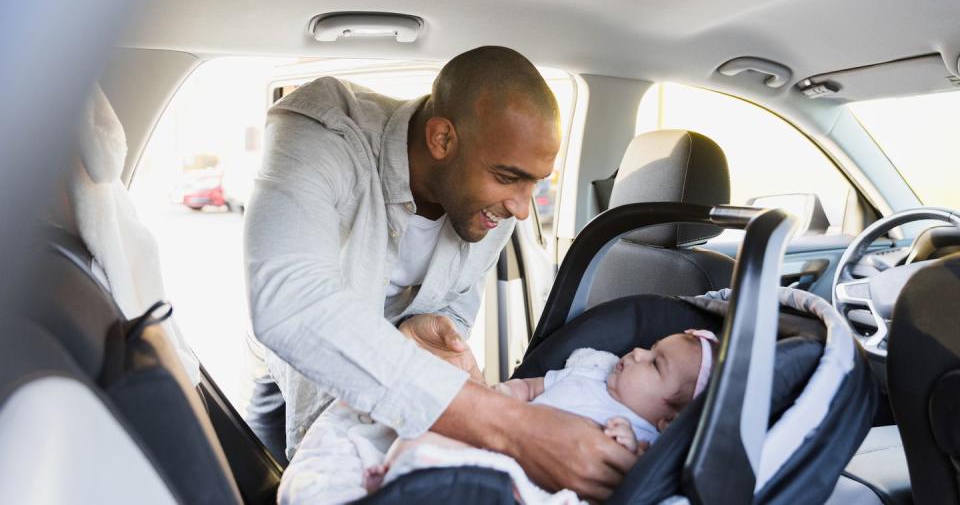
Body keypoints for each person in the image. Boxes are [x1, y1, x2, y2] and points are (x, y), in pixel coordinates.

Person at [244, 46, 635, 500]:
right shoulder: (324, 132)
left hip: (400, 402)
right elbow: (289, 300)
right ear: (442, 139)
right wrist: (514, 428)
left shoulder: (497, 209)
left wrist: (421, 328)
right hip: (296, 372)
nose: (522, 210)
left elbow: (457, 303)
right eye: (508, 177)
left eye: (535, 183)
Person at [360, 330, 719, 494]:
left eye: (655, 364)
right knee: (426, 428)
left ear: (668, 420)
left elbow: (637, 478)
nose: (639, 352)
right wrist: (500, 395)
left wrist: (632, 448)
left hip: (542, 477)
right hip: (495, 435)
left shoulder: (647, 435)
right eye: (651, 347)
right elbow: (531, 387)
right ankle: (396, 472)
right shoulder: (594, 367)